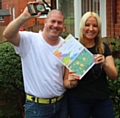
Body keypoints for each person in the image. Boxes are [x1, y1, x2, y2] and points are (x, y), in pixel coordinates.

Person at [3, 1, 68, 118]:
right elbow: (8, 34)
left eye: (59, 22)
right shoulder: (29, 40)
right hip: (37, 108)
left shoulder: (66, 46)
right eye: (53, 21)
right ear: (45, 22)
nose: (56, 25)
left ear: (63, 26)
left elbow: (68, 77)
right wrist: (25, 16)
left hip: (61, 104)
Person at [64, 11, 118, 118]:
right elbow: (66, 82)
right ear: (82, 27)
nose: (91, 28)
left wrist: (105, 64)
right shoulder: (73, 48)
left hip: (101, 100)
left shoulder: (103, 47)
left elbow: (114, 76)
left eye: (95, 26)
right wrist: (72, 81)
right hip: (78, 101)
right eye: (87, 25)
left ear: (99, 29)